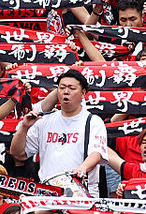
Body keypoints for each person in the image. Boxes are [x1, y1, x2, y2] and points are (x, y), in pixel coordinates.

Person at [10, 69, 107, 197]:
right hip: (48, 192)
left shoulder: (93, 121)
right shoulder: (44, 120)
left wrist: (81, 169)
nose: (66, 92)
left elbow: (96, 154)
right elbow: (18, 154)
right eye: (62, 88)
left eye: (72, 88)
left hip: (81, 193)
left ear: (83, 93)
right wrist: (24, 127)